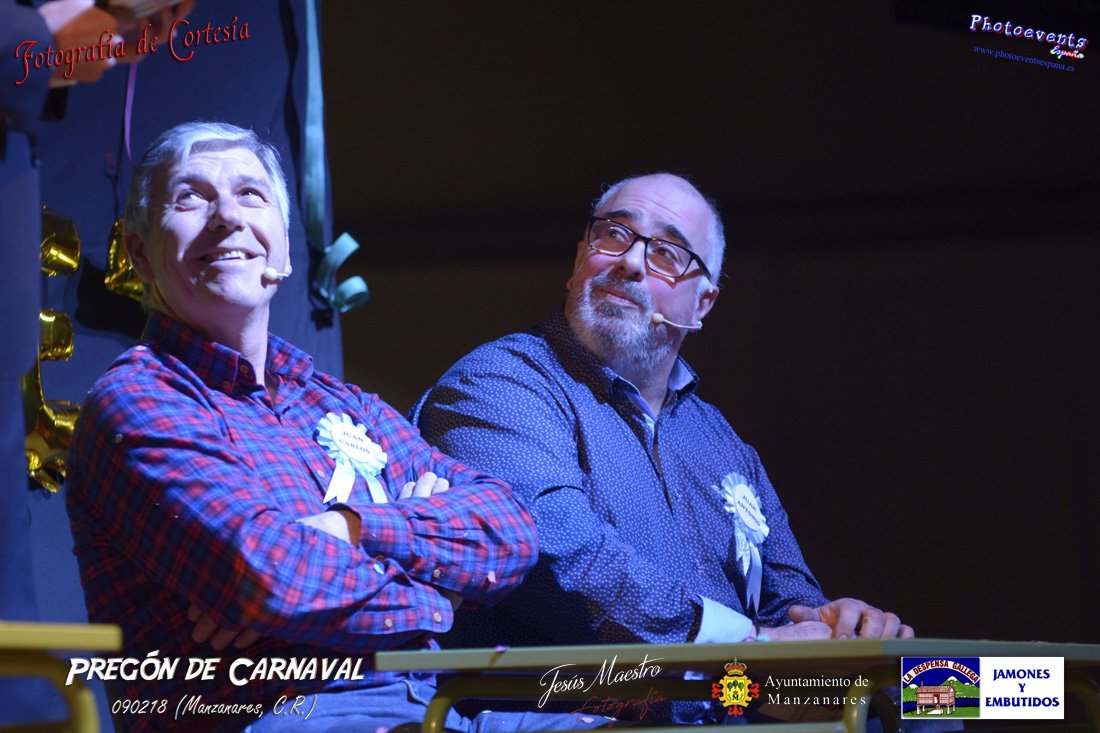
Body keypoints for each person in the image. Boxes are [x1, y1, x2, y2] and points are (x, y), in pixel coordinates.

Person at [66, 121, 591, 733]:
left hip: (430, 712)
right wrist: (440, 596)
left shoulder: (341, 403)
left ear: (285, 250)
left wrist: (348, 528)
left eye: (250, 195)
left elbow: (510, 529)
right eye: (191, 198)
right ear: (139, 255)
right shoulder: (139, 398)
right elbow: (269, 574)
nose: (227, 217)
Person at [413, 173, 913, 722]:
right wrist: (750, 647)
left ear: (703, 304)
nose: (630, 262)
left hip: (733, 704)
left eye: (667, 253)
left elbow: (787, 606)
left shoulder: (718, 440)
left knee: (958, 693)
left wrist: (845, 629)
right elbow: (561, 555)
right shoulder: (498, 385)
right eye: (613, 235)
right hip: (584, 715)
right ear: (579, 259)